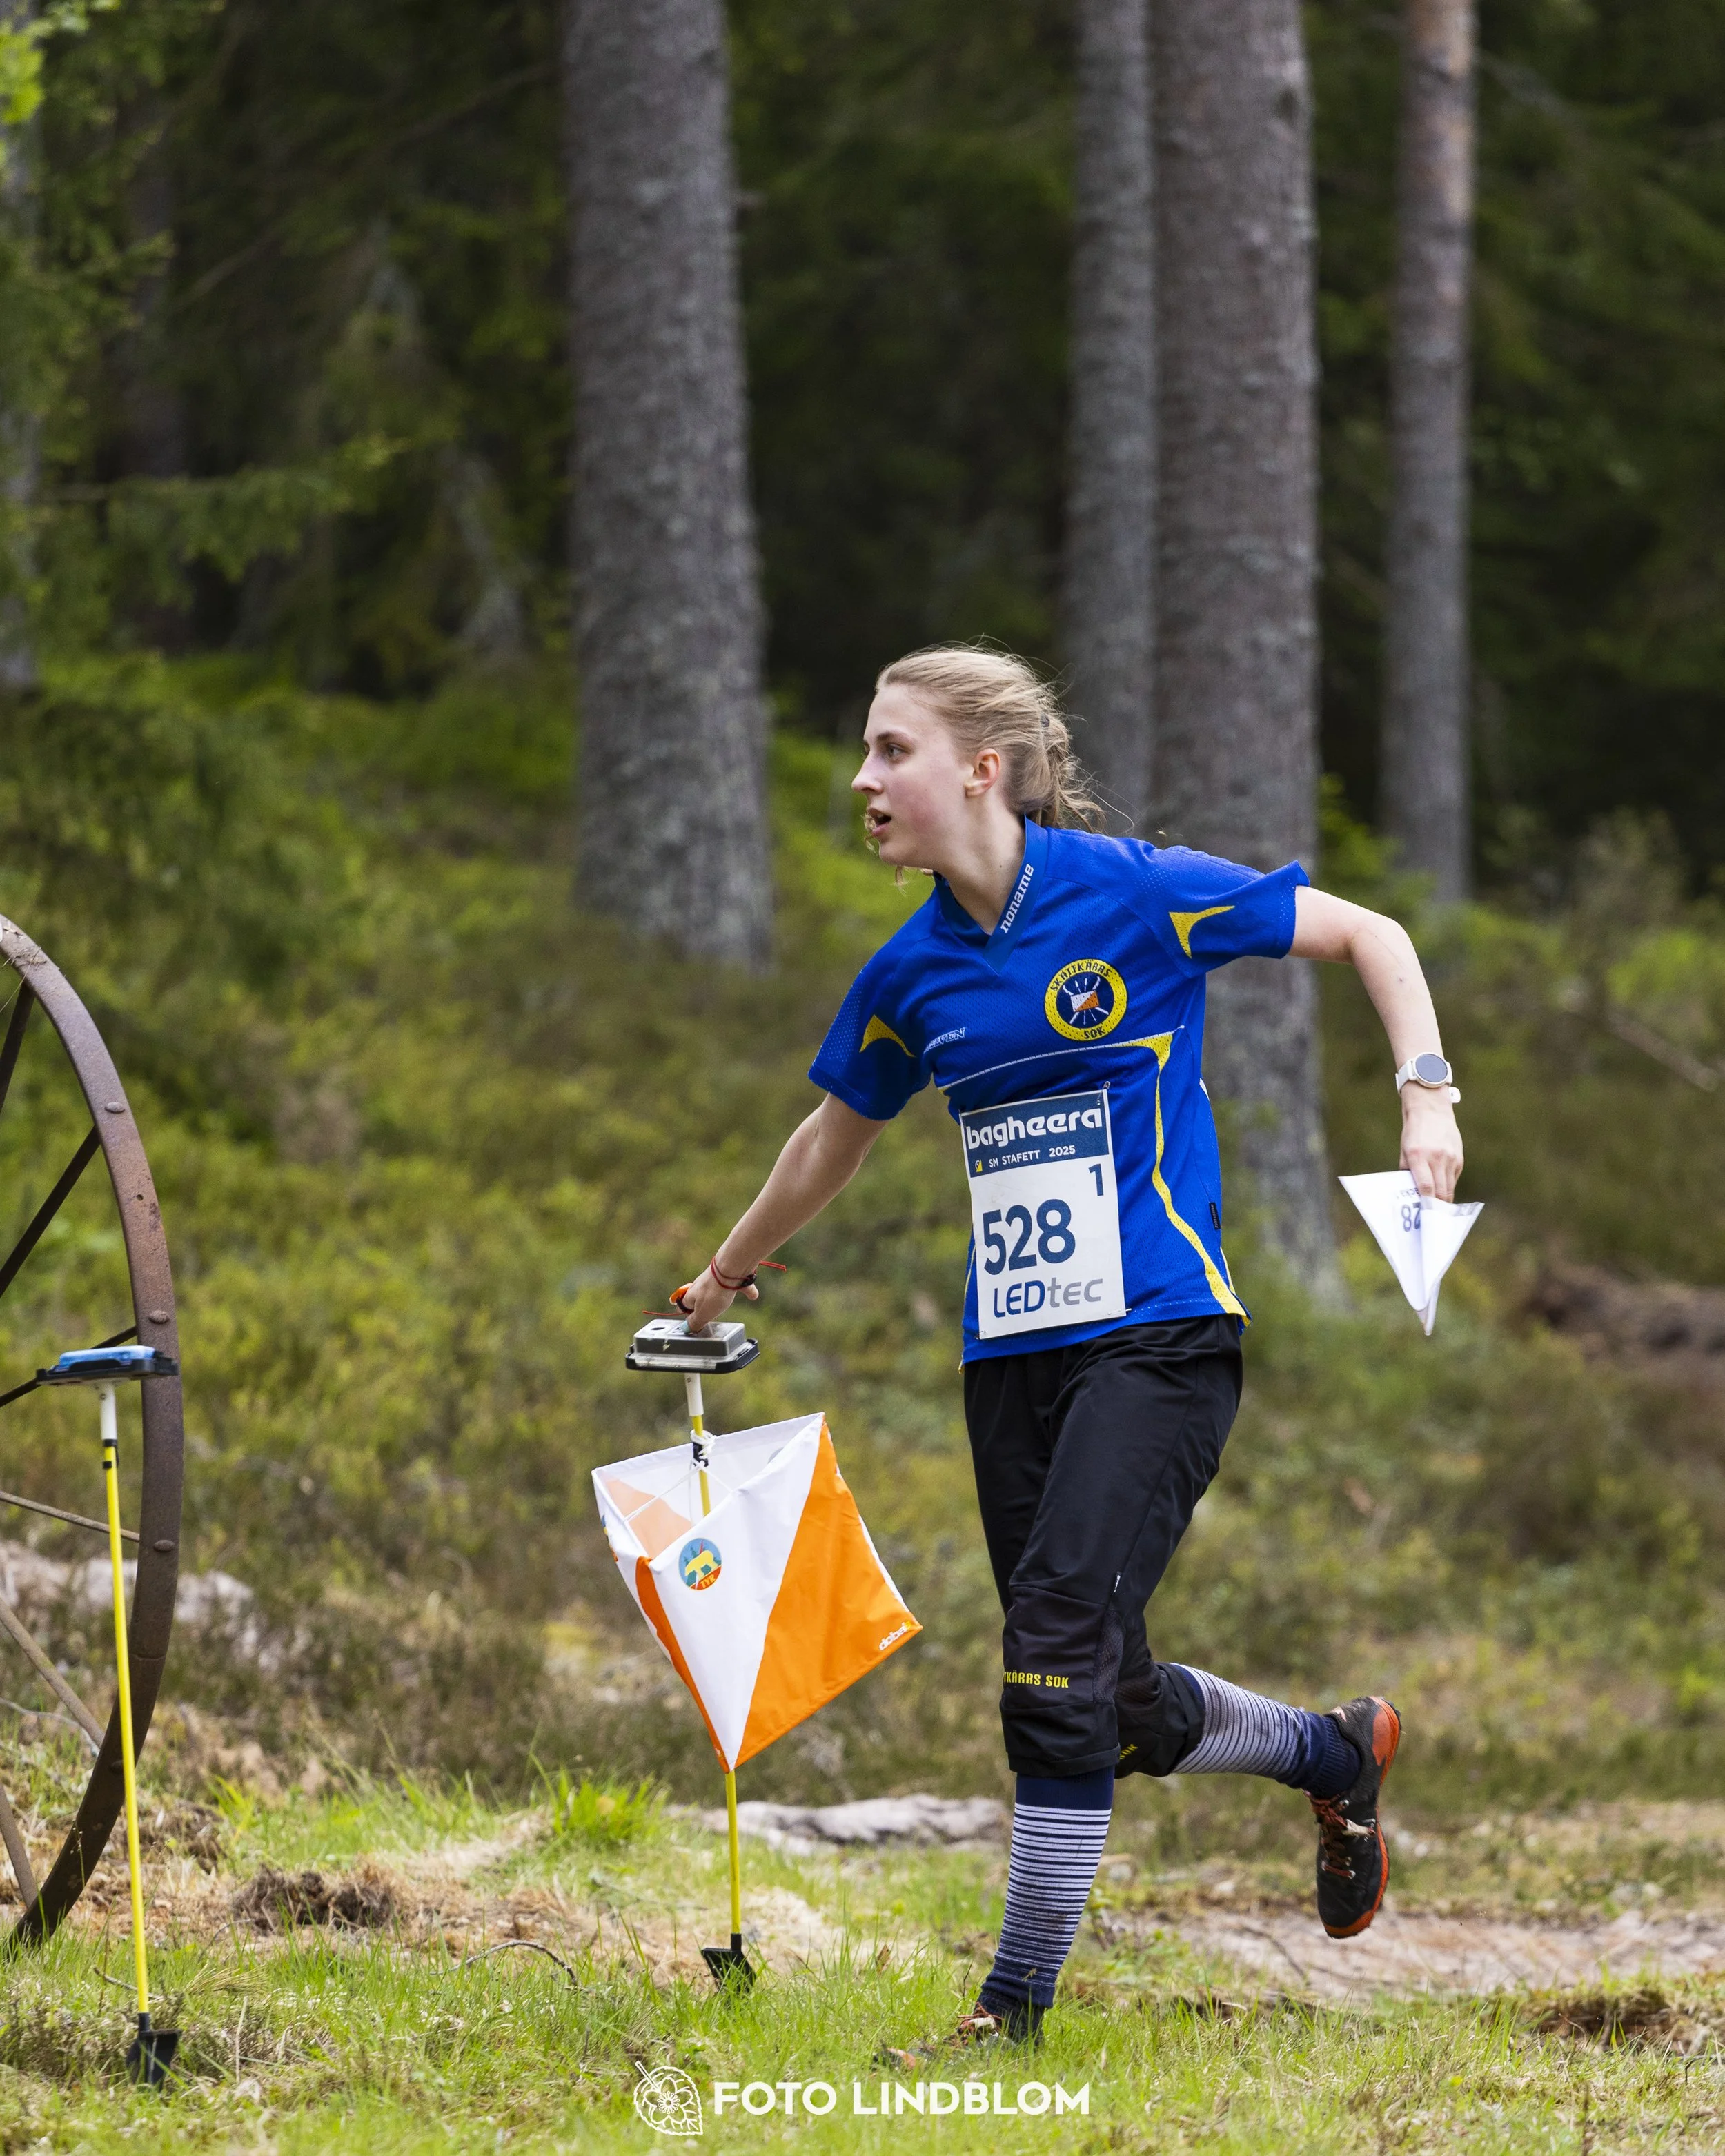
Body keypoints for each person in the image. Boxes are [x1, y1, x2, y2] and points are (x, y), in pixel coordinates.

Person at [673, 646, 1464, 2045]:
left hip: (1158, 1339)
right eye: (862, 753)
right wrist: (727, 1270)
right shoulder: (906, 972)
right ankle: (1335, 1751)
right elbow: (828, 1135)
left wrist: (1423, 1100)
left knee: (1047, 1654)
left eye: (887, 750)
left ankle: (1012, 2008)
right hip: (1012, 1365)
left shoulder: (1133, 890)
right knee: (1099, 1688)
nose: (860, 780)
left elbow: (1371, 938)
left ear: (978, 768)